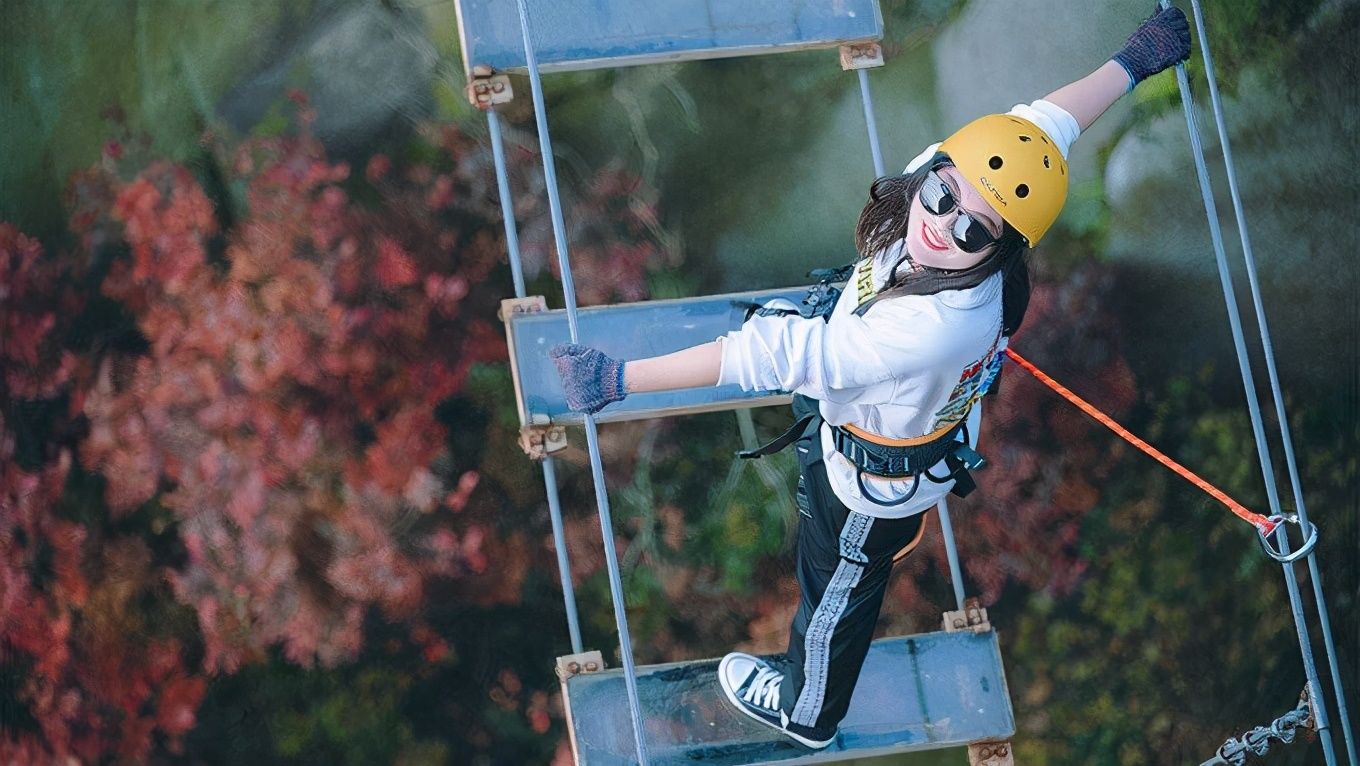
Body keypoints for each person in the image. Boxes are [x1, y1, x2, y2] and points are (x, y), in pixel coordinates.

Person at [550, 6, 1192, 750]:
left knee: (836, 589)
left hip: (872, 480)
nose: (941, 221)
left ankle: (807, 711)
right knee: (814, 397)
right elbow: (1047, 122)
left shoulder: (922, 332)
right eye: (943, 193)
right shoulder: (966, 188)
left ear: (1000, 246)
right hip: (887, 409)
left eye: (971, 231)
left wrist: (619, 378)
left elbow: (763, 357)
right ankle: (874, 551)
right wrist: (1136, 60)